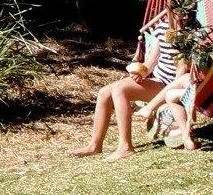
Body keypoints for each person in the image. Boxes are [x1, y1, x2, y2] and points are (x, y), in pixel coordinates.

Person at [74, 11, 188, 158]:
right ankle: (95, 145)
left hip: (172, 86)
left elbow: (181, 73)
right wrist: (141, 72)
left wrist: (169, 93)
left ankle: (125, 146)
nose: (183, 17)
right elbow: (151, 62)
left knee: (120, 89)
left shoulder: (190, 35)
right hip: (159, 81)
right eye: (179, 13)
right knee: (104, 92)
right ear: (170, 11)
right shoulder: (161, 29)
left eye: (186, 13)